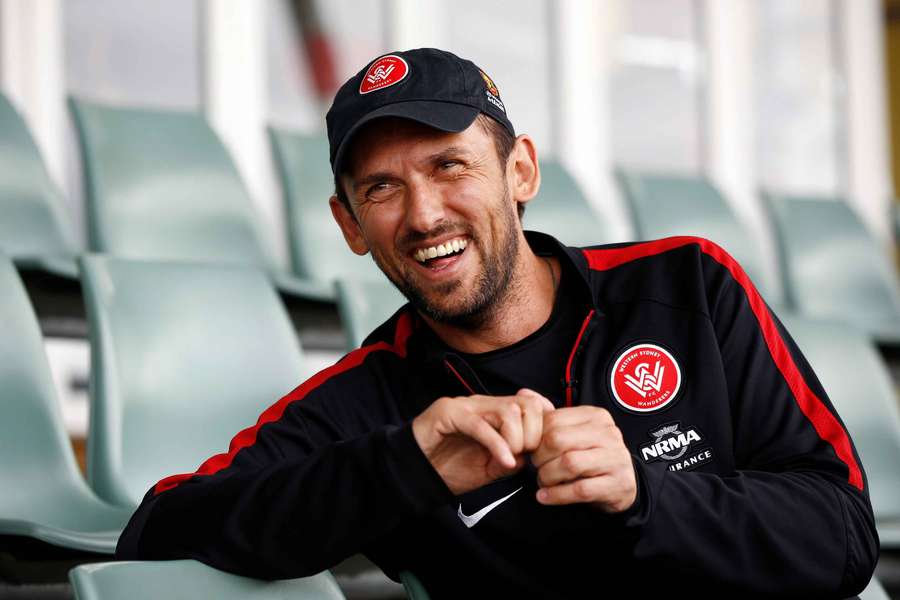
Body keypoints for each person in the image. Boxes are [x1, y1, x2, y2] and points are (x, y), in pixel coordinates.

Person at [117, 48, 878, 598]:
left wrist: (645, 497)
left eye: (451, 165)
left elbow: (842, 536)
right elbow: (156, 531)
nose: (423, 215)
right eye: (382, 187)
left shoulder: (687, 284)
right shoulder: (368, 404)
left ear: (521, 173)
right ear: (349, 224)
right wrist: (404, 468)